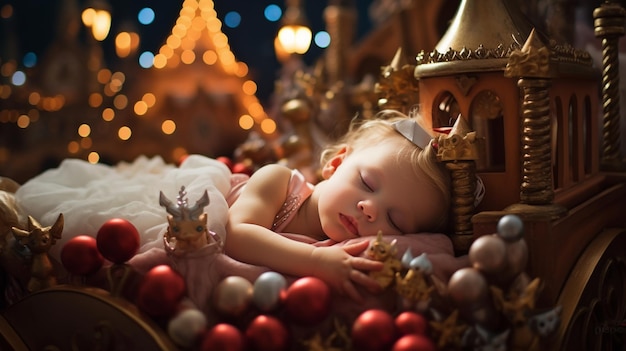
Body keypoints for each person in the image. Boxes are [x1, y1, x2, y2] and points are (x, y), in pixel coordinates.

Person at [225, 109, 452, 302]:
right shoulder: (278, 182)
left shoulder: (348, 252)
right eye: (367, 184)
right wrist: (315, 261)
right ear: (336, 163)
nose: (370, 209)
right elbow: (235, 235)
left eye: (394, 220)